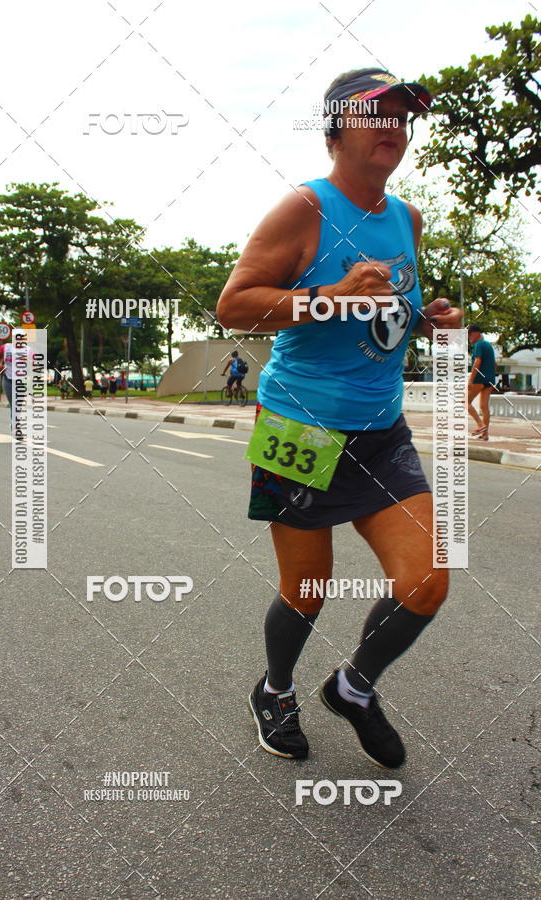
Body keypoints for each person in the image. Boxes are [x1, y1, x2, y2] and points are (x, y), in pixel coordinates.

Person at [217, 68, 463, 769]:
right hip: (299, 427)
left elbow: (384, 311)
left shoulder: (406, 218)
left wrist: (428, 321)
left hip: (382, 433)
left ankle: (353, 688)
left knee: (427, 581)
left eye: (405, 118)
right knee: (308, 590)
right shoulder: (305, 208)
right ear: (337, 128)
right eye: (378, 114)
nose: (395, 128)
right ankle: (275, 690)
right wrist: (328, 293)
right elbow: (233, 307)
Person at [467, 324, 496, 440]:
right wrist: (491, 377)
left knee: (465, 402)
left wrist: (470, 380)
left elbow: (477, 362)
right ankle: (485, 434)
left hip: (480, 378)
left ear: (476, 333)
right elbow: (495, 364)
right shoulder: (488, 345)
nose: (469, 338)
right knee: (484, 407)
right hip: (490, 379)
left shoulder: (479, 344)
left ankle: (480, 425)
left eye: (470, 335)